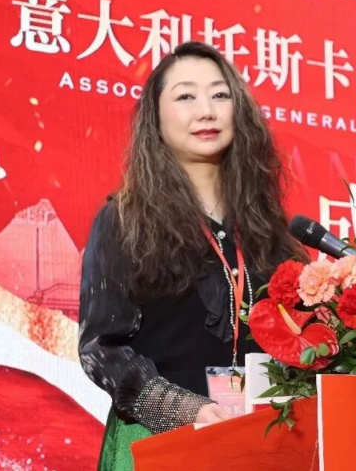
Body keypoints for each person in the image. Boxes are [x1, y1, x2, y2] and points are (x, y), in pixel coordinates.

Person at [78, 41, 306, 471]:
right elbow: (100, 349)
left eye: (220, 95)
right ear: (156, 118)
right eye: (185, 96)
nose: (206, 111)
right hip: (159, 444)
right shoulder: (124, 219)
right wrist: (184, 410)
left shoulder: (273, 235)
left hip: (258, 447)